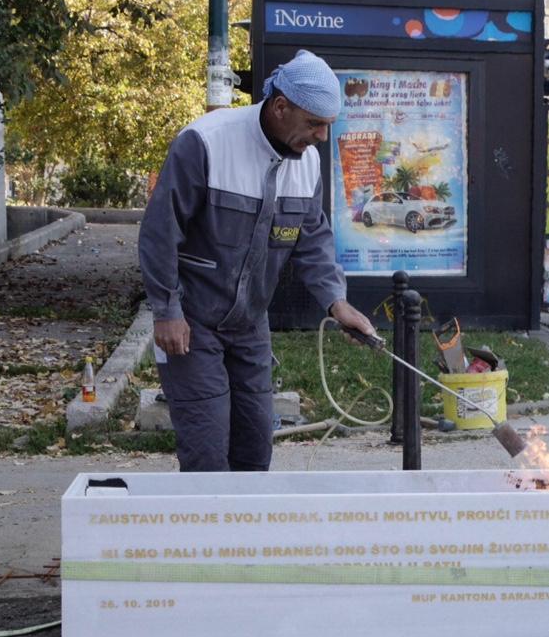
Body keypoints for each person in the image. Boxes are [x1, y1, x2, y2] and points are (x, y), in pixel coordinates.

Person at [139, 49, 377, 472]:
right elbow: (160, 232)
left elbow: (313, 239)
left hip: (250, 326)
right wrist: (166, 311)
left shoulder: (306, 164)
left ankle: (243, 540)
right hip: (192, 323)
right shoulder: (205, 143)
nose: (322, 137)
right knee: (207, 455)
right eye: (315, 124)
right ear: (281, 107)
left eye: (328, 126)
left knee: (254, 451)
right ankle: (205, 538)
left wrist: (336, 302)